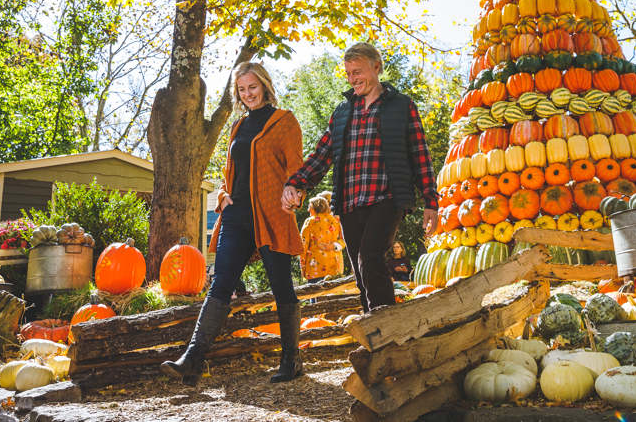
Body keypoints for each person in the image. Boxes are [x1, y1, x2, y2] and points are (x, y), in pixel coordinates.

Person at [162, 62, 305, 386]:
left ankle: (291, 360)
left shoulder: (284, 121)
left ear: (265, 86)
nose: (247, 94)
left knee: (281, 284)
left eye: (252, 87)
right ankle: (192, 360)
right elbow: (230, 173)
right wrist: (223, 194)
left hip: (271, 215)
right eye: (241, 90)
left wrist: (294, 190)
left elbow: (297, 167)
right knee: (222, 282)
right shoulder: (238, 127)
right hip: (237, 215)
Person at [282, 43, 439, 313]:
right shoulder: (343, 113)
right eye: (348, 73)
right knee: (360, 269)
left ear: (376, 67)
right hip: (349, 202)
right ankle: (373, 328)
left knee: (370, 257)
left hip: (386, 198)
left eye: (358, 72)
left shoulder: (402, 106)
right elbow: (321, 156)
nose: (352, 79)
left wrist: (431, 203)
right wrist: (296, 183)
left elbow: (420, 156)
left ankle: (385, 329)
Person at [299, 192, 346, 283]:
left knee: (315, 295)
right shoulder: (336, 221)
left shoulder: (309, 221)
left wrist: (303, 267)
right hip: (334, 266)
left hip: (315, 268)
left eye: (310, 206)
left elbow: (303, 246)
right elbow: (345, 239)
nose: (308, 209)